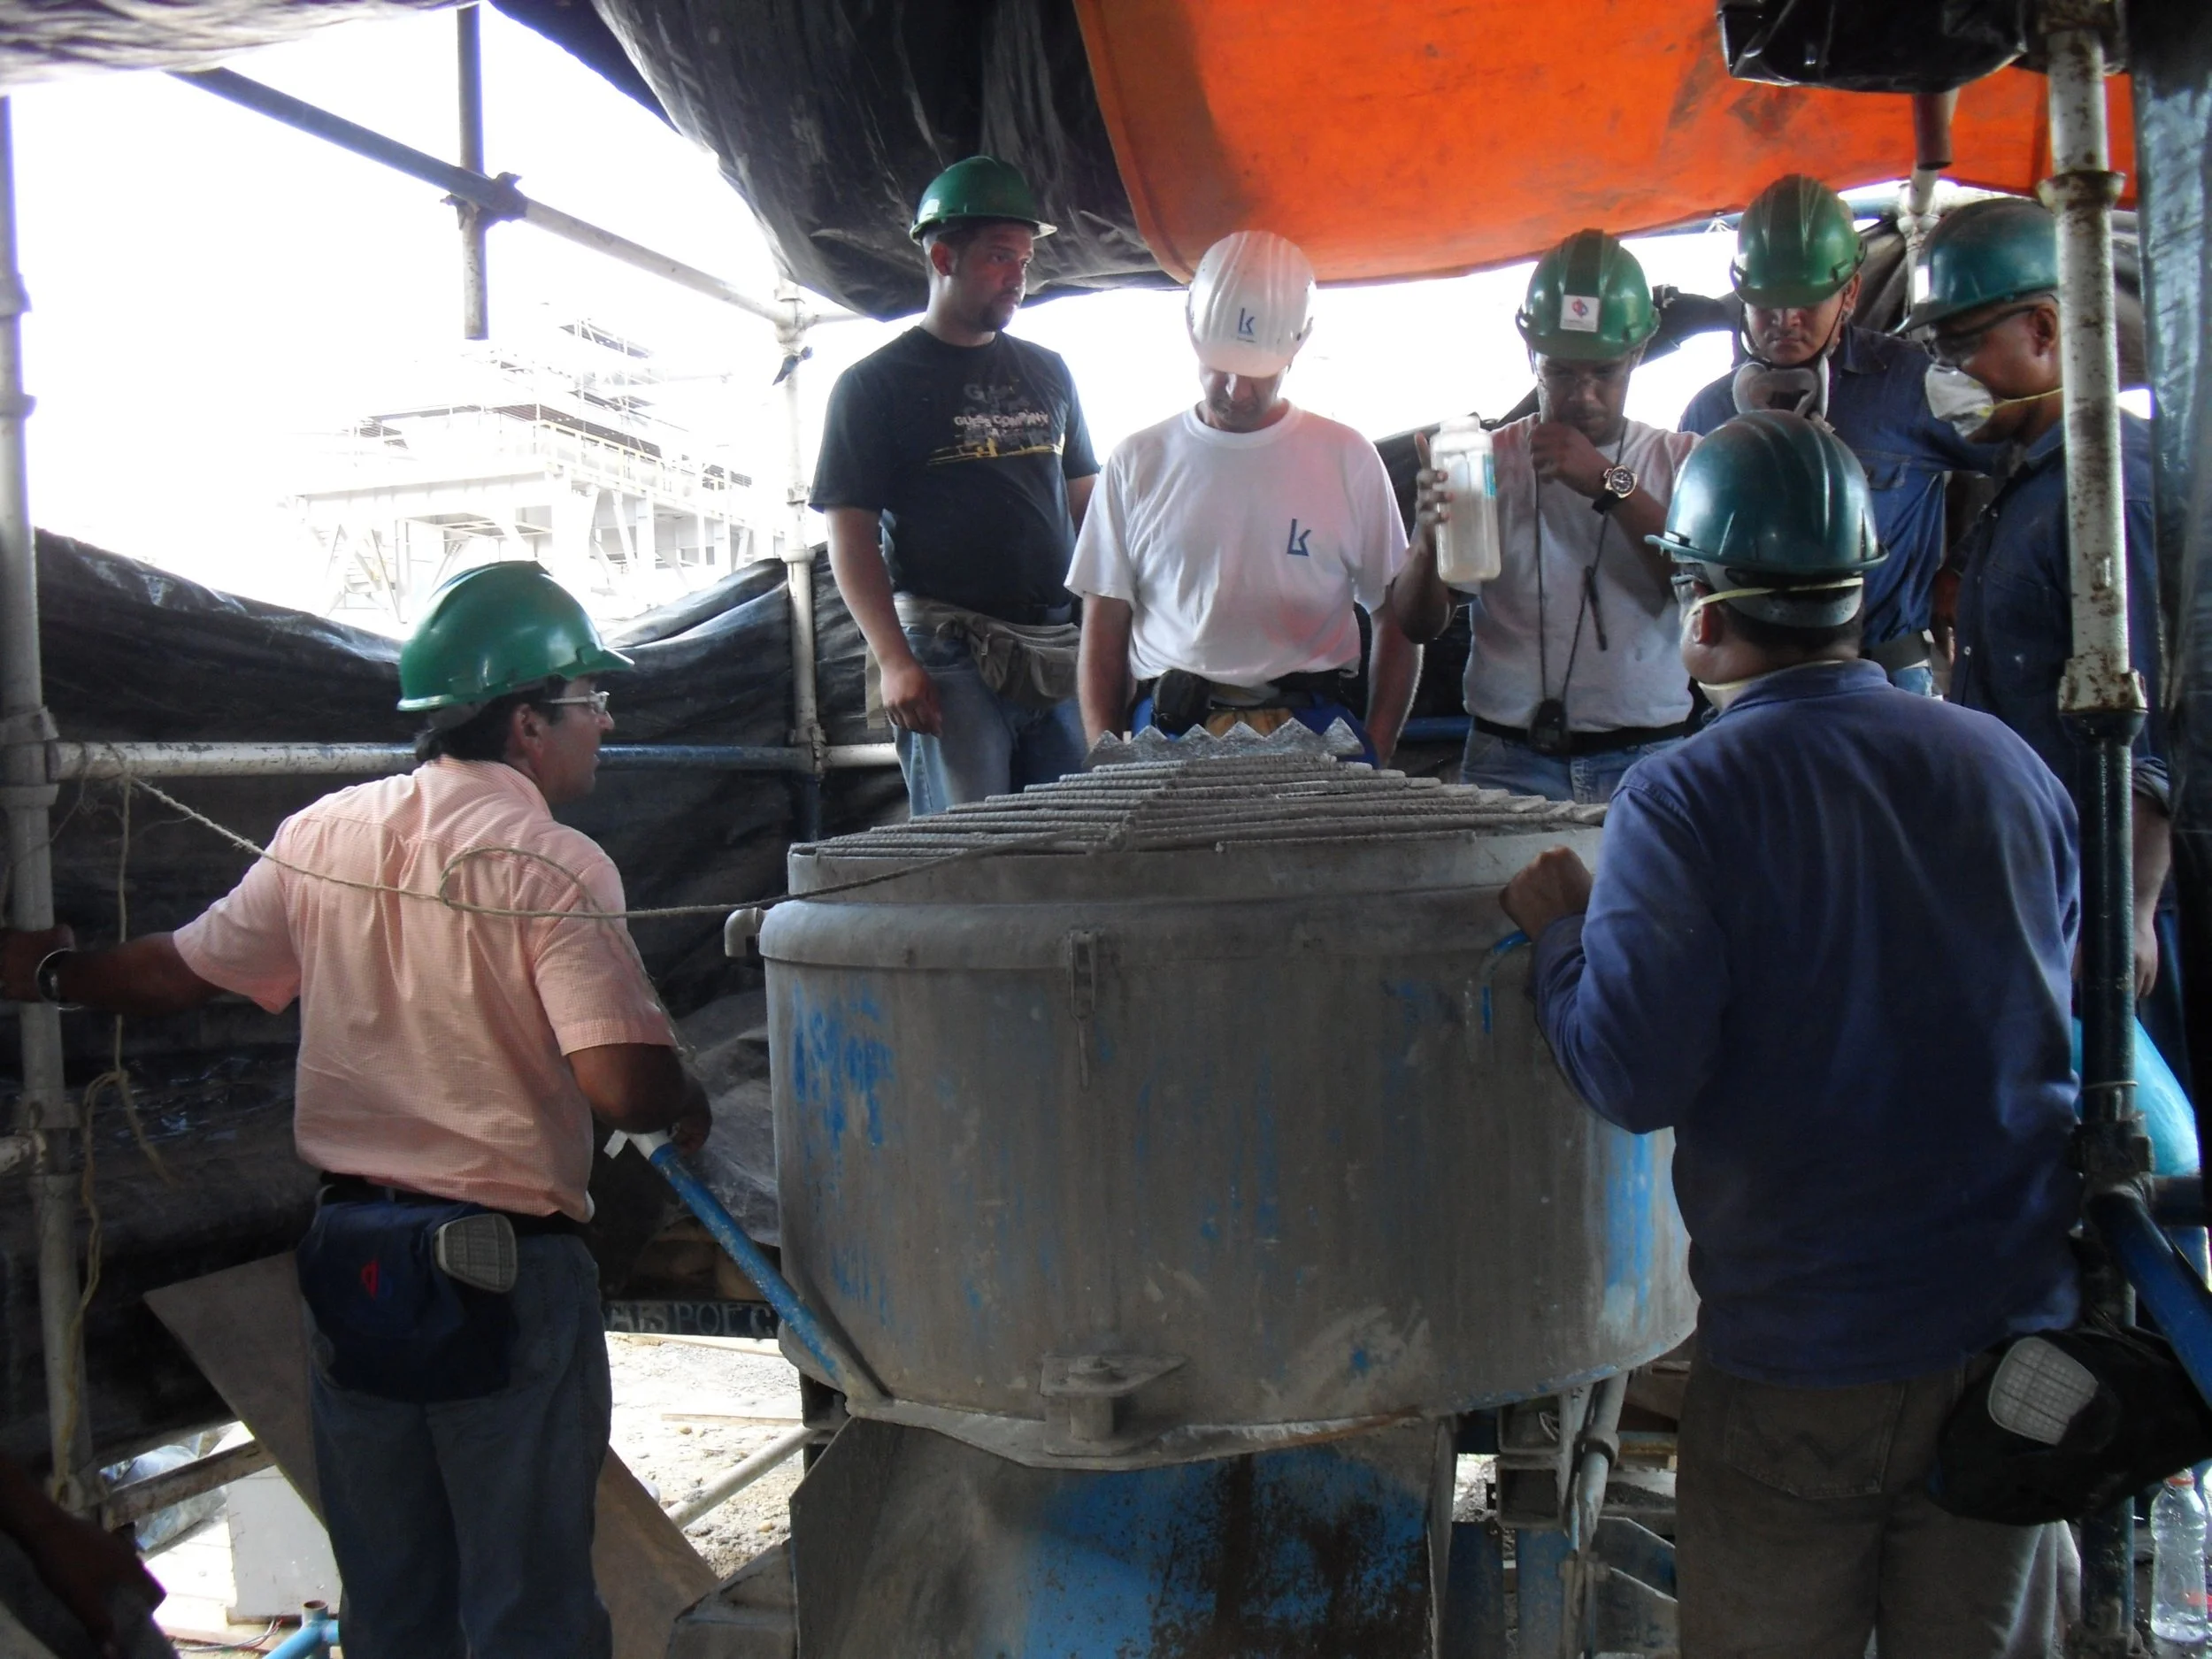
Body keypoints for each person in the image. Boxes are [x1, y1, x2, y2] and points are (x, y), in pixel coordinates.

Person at [0, 562, 711, 1659]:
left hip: (354, 1261)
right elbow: (621, 1086)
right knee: (528, 1610)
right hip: (502, 1271)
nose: (605, 725)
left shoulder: (322, 834)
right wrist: (686, 1092)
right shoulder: (552, 861)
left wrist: (47, 977)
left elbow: (177, 974)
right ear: (528, 723)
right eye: (591, 701)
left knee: (393, 1603)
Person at [1498, 412, 2081, 1657]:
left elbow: (1631, 1067)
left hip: (1810, 1353)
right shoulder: (2008, 764)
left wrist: (1562, 939)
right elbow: (2052, 1001)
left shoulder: (1689, 792)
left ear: (1700, 607)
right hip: (2012, 1348)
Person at [1907, 195, 2176, 1022]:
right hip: (2040, 888)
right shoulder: (2028, 479)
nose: (1948, 378)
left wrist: (2124, 908)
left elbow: (2157, 721)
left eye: (1965, 346)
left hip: (2101, 904)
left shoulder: (2107, 487)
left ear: (2047, 329)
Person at [812, 155, 1099, 815]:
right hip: (949, 656)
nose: (1017, 278)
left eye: (1024, 261)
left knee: (1078, 843)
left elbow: (1088, 506)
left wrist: (1115, 626)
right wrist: (893, 658)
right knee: (971, 859)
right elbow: (849, 536)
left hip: (1056, 649)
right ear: (943, 258)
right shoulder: (873, 385)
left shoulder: (1050, 373)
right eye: (1000, 257)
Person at [1069, 230, 1418, 764]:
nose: (1237, 391)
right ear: (1191, 330)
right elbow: (1104, 622)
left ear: (1297, 346)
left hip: (1317, 731)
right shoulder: (1137, 461)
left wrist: (1380, 744)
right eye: (1222, 368)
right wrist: (1102, 756)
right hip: (1170, 731)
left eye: (1257, 373)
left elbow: (1395, 615)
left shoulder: (1347, 457)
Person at [1387, 229, 1699, 803]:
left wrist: (1608, 483)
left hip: (1647, 757)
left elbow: (1694, 588)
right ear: (1530, 353)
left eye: (1604, 373)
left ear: (1637, 354)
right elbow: (1418, 623)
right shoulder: (1484, 462)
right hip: (1510, 757)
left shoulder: (1683, 462)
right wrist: (1429, 545)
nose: (1583, 395)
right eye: (1560, 371)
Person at [1679, 173, 1993, 695]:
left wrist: (1963, 569)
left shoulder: (1913, 386)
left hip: (1888, 675)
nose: (1785, 321)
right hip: (1748, 685)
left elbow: (2031, 457)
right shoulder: (1708, 412)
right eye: (1765, 303)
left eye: (1806, 302)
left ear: (1850, 293)